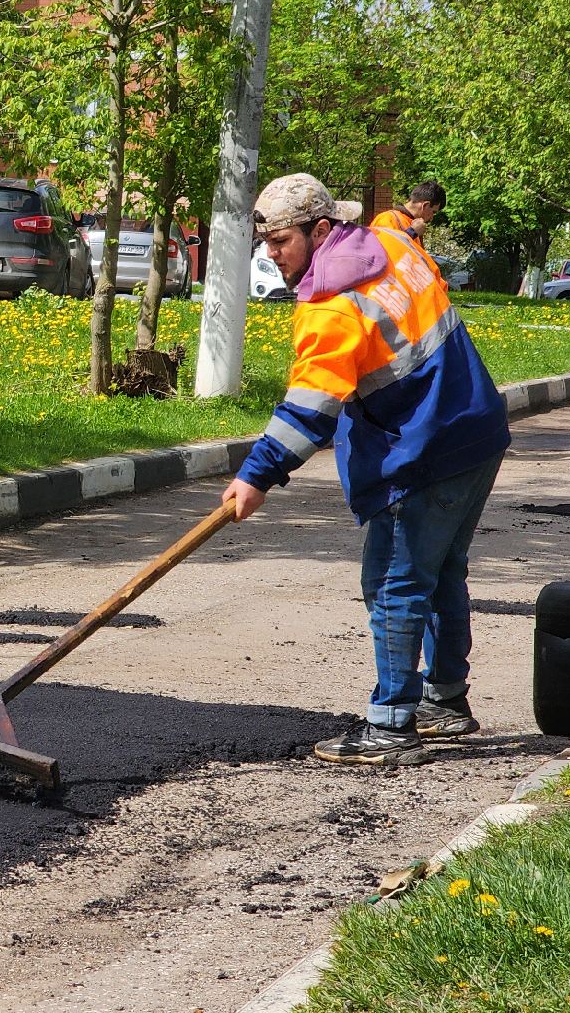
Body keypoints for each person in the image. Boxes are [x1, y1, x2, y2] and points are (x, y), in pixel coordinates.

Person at [222, 173, 510, 768]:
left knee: (394, 583)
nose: (270, 256)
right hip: (476, 430)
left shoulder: (332, 310)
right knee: (440, 572)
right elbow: (401, 229)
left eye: (279, 242)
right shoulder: (393, 245)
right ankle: (445, 702)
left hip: (425, 449)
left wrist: (255, 476)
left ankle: (391, 724)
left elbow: (308, 411)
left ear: (321, 231)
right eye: (266, 244)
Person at [370, 180, 446, 242]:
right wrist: (412, 232)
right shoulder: (387, 219)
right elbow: (384, 251)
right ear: (425, 205)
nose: (431, 218)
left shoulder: (414, 225)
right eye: (433, 212)